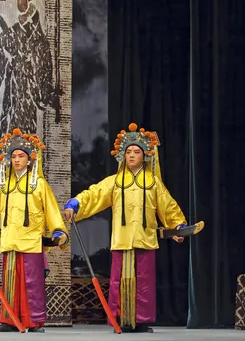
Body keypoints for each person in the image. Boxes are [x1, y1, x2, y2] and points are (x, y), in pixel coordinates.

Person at [63, 123, 187, 333]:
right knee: (119, 281)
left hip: (144, 238)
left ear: (144, 155)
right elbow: (95, 194)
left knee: (144, 283)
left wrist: (177, 225)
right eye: (128, 152)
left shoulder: (153, 182)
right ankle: (121, 318)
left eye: (136, 152)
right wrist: (75, 203)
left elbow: (168, 205)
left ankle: (142, 320)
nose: (131, 155)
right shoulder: (115, 181)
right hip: (121, 239)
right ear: (122, 155)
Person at [0, 128, 69, 333]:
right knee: (11, 281)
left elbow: (51, 210)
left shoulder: (39, 184)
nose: (17, 160)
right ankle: (10, 320)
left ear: (29, 159)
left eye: (21, 156)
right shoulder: (4, 185)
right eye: (13, 156)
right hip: (11, 240)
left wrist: (58, 230)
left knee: (32, 283)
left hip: (31, 241)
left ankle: (35, 321)